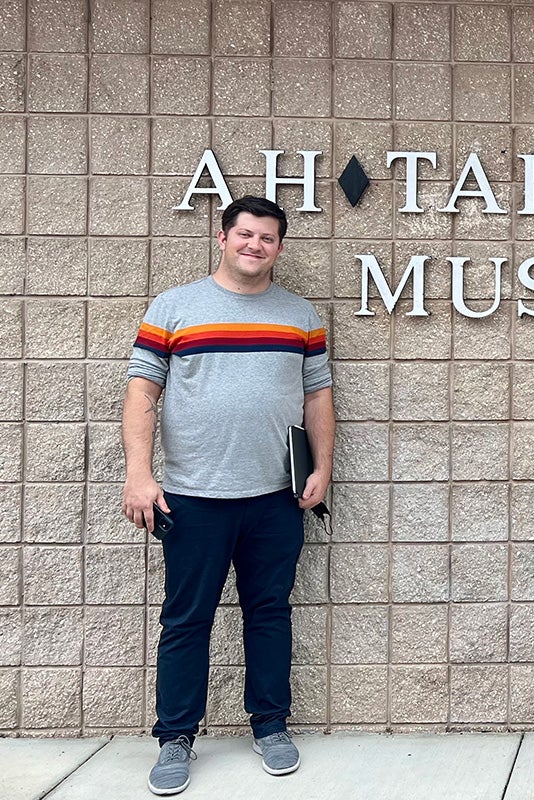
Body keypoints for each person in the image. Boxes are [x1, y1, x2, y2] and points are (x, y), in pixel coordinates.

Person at [122, 196, 334, 796]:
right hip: (192, 498)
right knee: (187, 619)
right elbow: (142, 394)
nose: (255, 246)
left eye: (267, 238)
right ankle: (175, 739)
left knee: (269, 614)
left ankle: (270, 725)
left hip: (276, 498)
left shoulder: (300, 315)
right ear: (223, 238)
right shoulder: (174, 308)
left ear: (280, 247)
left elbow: (317, 396)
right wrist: (140, 475)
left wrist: (323, 470)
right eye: (245, 235)